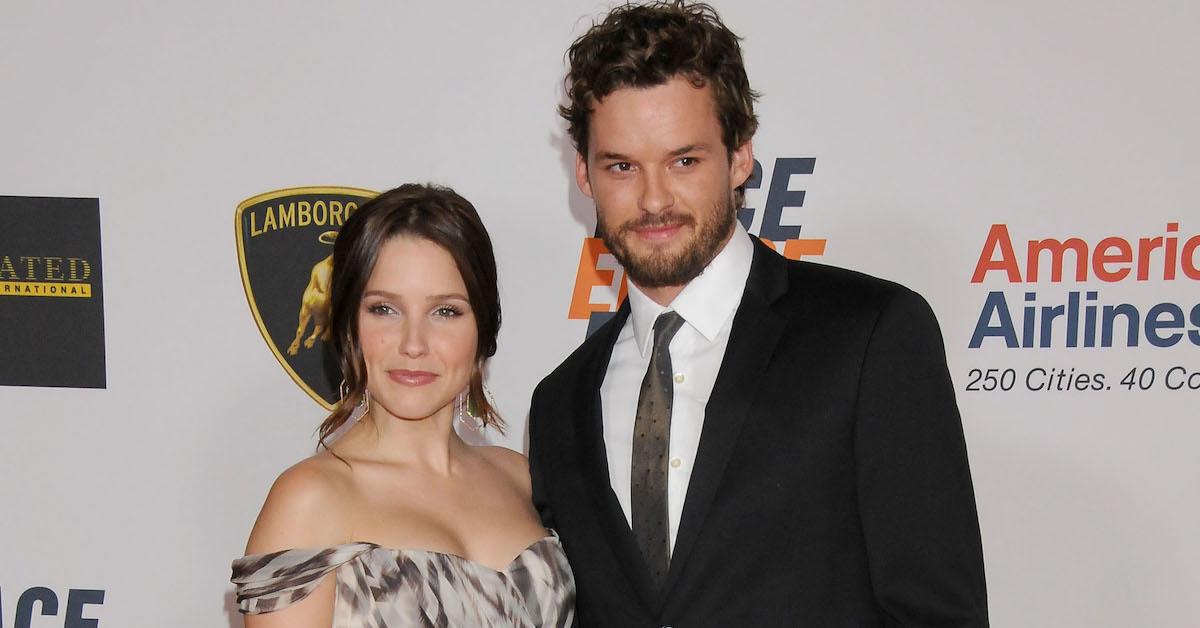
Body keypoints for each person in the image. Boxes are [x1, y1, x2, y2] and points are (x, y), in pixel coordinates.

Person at [528, 2, 988, 626]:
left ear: (740, 156)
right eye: (622, 167)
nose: (654, 198)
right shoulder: (559, 402)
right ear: (583, 174)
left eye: (684, 160)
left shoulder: (868, 336)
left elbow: (938, 614)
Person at [232, 184, 575, 627]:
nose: (414, 344)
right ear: (349, 326)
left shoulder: (520, 477)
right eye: (384, 309)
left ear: (482, 328)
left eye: (446, 312)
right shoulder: (309, 500)